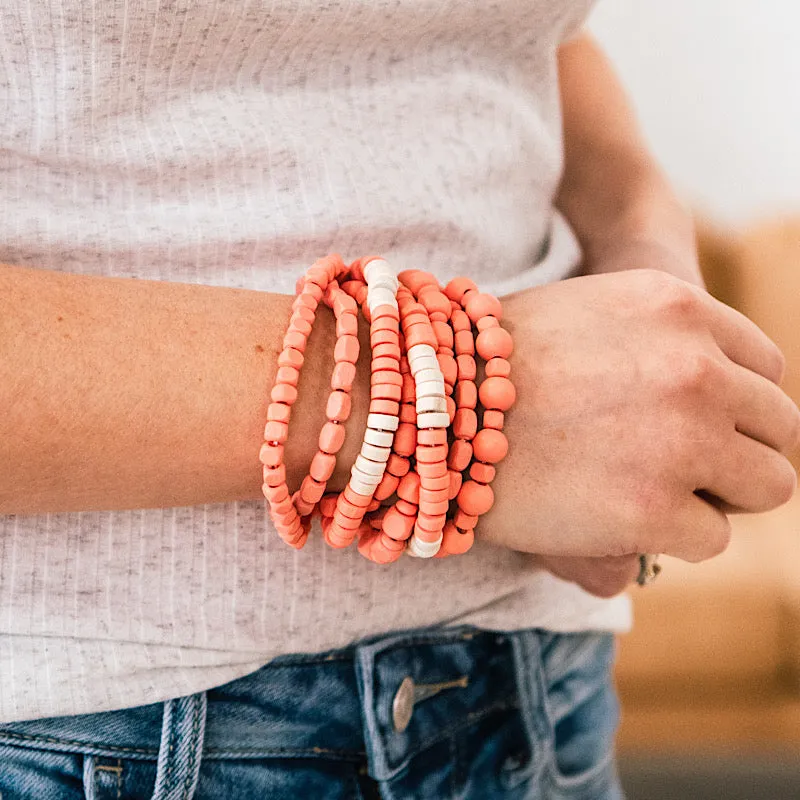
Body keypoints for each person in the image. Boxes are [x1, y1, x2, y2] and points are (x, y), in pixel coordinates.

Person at [0, 1, 797, 797]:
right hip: (99, 727)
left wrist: (643, 252)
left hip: (543, 678)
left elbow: (528, 36)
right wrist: (466, 396)